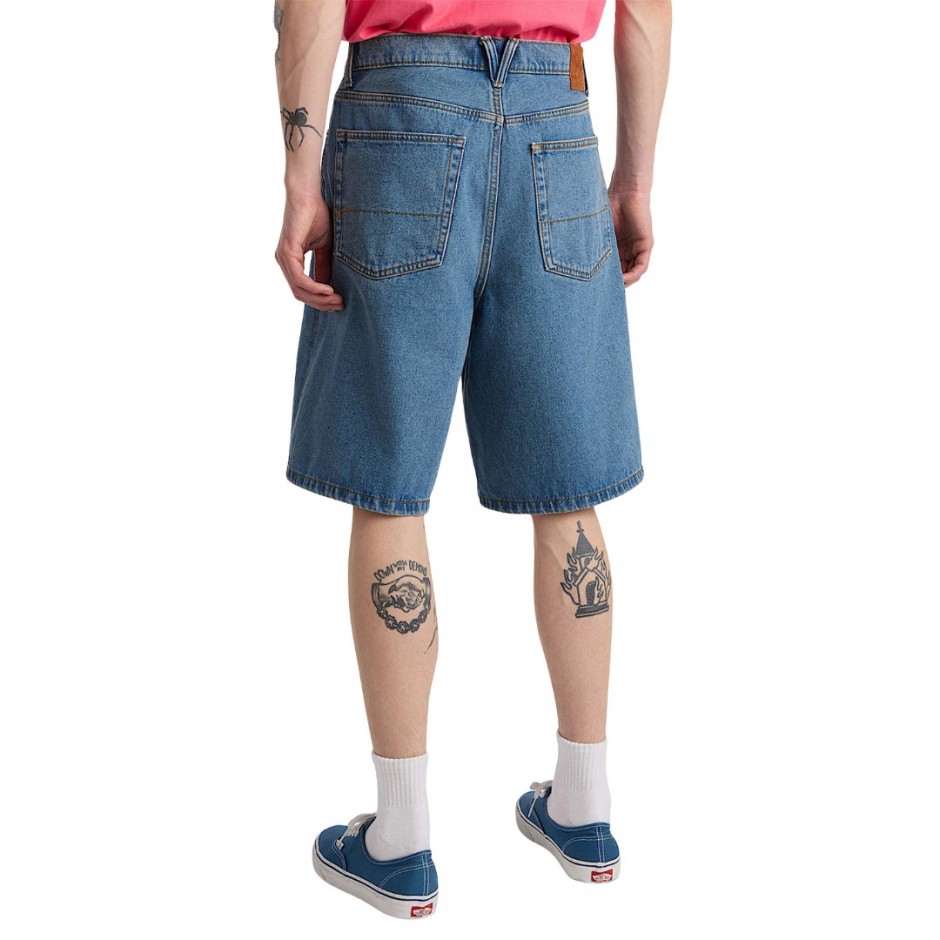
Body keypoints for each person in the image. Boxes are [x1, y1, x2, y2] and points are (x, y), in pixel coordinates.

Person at [273, 0, 671, 919]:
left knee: (389, 484)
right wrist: (634, 177)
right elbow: (648, 9)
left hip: (400, 117)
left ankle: (400, 837)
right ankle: (585, 807)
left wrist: (299, 174)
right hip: (556, 125)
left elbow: (310, 6)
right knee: (567, 488)